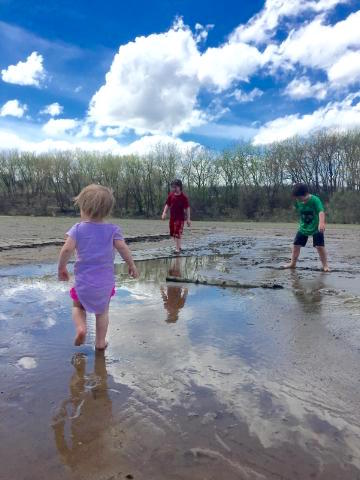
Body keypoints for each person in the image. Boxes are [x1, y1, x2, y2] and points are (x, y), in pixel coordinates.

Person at [58, 184, 138, 349]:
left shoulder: (77, 229)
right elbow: (123, 248)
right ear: (107, 211)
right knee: (102, 312)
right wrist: (131, 265)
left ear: (84, 208)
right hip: (105, 283)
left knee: (78, 306)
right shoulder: (113, 230)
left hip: (83, 283)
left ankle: (81, 328)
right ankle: (100, 342)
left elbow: (66, 249)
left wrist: (61, 268)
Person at [284, 183, 330, 272]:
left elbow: (321, 212)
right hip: (303, 226)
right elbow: (298, 209)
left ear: (306, 194)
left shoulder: (315, 200)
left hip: (316, 227)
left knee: (319, 246)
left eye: (299, 198)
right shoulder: (297, 201)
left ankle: (325, 266)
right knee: (296, 245)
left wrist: (321, 223)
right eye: (297, 198)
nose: (298, 200)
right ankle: (293, 264)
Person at [161, 179, 191, 254]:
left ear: (180, 187)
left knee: (177, 232)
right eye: (173, 187)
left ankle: (177, 249)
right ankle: (179, 245)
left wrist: (188, 219)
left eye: (175, 187)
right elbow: (167, 205)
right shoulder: (171, 195)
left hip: (180, 219)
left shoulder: (183, 197)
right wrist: (164, 213)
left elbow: (187, 208)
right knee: (173, 233)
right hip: (172, 218)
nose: (174, 189)